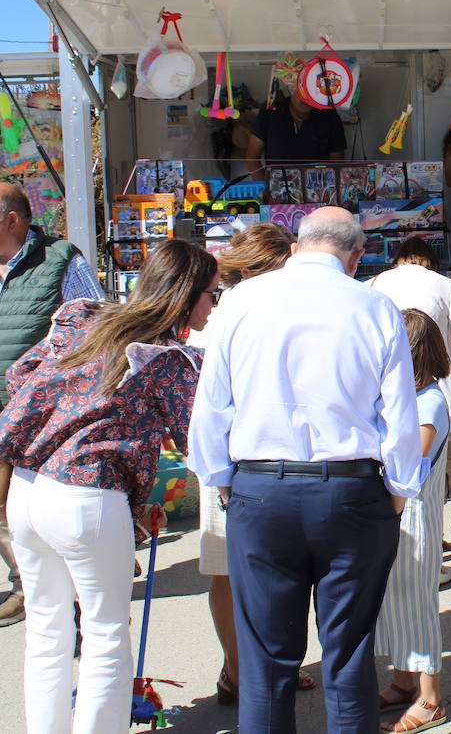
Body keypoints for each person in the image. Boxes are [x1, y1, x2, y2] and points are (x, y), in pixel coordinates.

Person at [187, 207, 424, 734]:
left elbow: (211, 409)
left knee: (267, 662)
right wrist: (400, 492)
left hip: (260, 490)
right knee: (349, 653)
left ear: (295, 248)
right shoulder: (375, 306)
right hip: (352, 492)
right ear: (356, 257)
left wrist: (224, 483)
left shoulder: (242, 301)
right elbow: (399, 413)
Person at [0, 239, 218, 734]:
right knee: (106, 633)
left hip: (27, 487)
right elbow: (199, 437)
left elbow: (20, 371)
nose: (213, 306)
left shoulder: (83, 320)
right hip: (87, 495)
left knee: (47, 630)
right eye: (211, 294)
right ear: (187, 294)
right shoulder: (167, 360)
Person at [0, 181, 105, 627]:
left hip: (46, 411)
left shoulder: (60, 260)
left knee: (52, 500)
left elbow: (93, 322)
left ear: (11, 219)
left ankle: (73, 586)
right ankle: (26, 586)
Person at [186, 224, 318, 703]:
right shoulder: (234, 311)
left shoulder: (227, 310)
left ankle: (244, 669)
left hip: (232, 459)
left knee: (248, 569)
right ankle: (241, 669)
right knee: (248, 569)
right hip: (239, 461)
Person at [368, 237, 451, 551]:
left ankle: (397, 554)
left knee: (389, 479)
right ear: (431, 259)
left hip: (384, 398)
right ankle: (432, 562)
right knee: (428, 488)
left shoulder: (373, 284)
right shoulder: (444, 285)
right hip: (432, 393)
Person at [375, 309, 451, 733]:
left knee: (417, 607)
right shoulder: (415, 397)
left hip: (413, 517)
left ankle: (431, 697)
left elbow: (412, 464)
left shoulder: (429, 403)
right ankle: (403, 682)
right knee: (396, 604)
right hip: (400, 515)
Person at [244, 86, 346, 173]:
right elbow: (252, 158)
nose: (306, 98)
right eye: (302, 92)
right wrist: (266, 187)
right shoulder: (271, 111)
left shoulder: (328, 115)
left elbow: (337, 163)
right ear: (292, 89)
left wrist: (331, 191)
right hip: (278, 190)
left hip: (318, 191)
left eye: (311, 93)